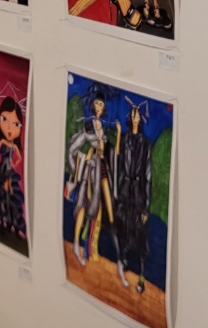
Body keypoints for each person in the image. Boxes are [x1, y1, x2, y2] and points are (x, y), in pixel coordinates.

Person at [64, 90, 122, 268]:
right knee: (82, 206)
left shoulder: (103, 128)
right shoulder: (88, 126)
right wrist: (81, 163)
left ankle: (91, 249)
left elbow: (111, 153)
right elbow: (73, 148)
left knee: (98, 209)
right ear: (93, 105)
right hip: (89, 171)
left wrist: (118, 134)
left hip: (100, 170)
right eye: (97, 103)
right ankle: (76, 244)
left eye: (101, 104)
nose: (99, 107)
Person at [114, 100, 152, 292]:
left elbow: (148, 176)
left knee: (140, 233)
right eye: (133, 115)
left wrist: (146, 207)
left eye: (138, 115)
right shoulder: (126, 139)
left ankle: (142, 274)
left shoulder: (145, 143)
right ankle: (123, 258)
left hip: (138, 192)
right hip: (125, 189)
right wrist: (118, 135)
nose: (135, 118)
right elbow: (119, 160)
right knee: (122, 226)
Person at [0, 95, 26, 236]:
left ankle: (13, 220)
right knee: (2, 193)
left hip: (9, 171)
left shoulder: (13, 146)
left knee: (10, 194)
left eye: (16, 124)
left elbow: (19, 158)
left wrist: (14, 163)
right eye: (4, 120)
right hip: (2, 170)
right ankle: (3, 217)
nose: (9, 127)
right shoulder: (3, 142)